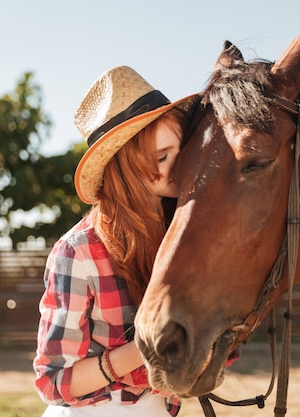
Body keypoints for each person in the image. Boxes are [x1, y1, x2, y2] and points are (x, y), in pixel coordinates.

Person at [33, 66, 195, 417]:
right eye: (162, 157)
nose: (180, 165)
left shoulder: (182, 234)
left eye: (182, 148)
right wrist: (144, 349)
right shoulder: (78, 251)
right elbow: (53, 382)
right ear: (125, 168)